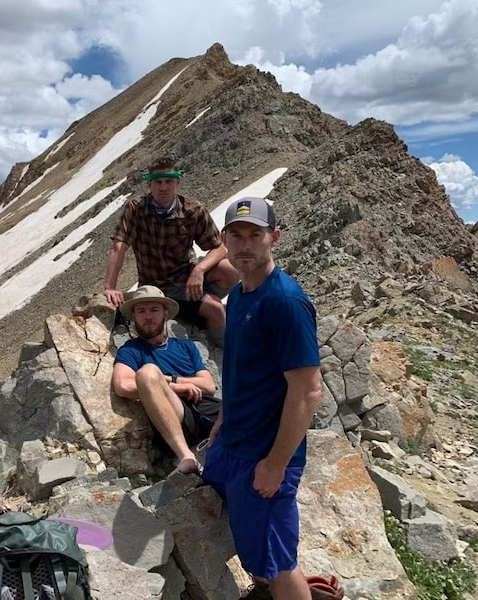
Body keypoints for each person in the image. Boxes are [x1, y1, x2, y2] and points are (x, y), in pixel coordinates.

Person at [201, 197, 322, 600]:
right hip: (232, 443)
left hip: (263, 457)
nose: (245, 245)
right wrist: (222, 420)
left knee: (278, 562)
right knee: (255, 545)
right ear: (223, 240)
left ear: (275, 238)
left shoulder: (284, 301)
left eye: (256, 235)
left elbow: (307, 391)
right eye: (236, 235)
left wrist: (276, 464)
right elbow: (242, 370)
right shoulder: (240, 295)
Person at [103, 156, 239, 346]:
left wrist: (198, 271)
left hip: (186, 278)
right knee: (215, 309)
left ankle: (213, 329)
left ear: (178, 183)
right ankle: (207, 322)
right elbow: (119, 246)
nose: (163, 187)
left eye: (168, 181)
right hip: (156, 286)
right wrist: (110, 287)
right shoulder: (135, 209)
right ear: (149, 185)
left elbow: (219, 247)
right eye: (158, 182)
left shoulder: (193, 210)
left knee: (231, 269)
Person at [112, 285, 220, 474]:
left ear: (166, 314)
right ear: (134, 317)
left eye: (154, 310)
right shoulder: (130, 350)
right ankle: (186, 456)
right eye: (141, 311)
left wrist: (174, 381)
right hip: (174, 413)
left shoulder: (186, 346)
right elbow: (123, 385)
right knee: (147, 373)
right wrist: (174, 389)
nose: (148, 317)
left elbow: (208, 385)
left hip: (206, 405)